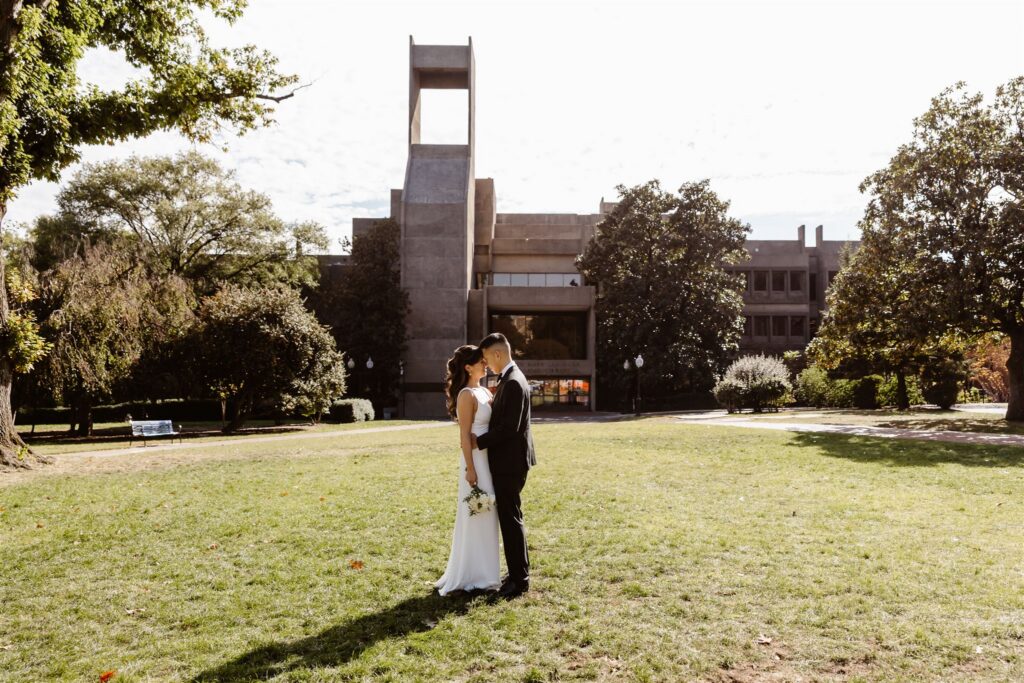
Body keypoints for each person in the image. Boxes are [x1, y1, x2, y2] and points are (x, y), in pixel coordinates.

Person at [471, 332, 536, 600]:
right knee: (512, 517)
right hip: (512, 460)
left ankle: (519, 581)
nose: (487, 364)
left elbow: (509, 428)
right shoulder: (512, 379)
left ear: (498, 354)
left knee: (510, 520)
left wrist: (478, 441)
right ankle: (519, 573)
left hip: (510, 462)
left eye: (487, 358)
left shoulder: (512, 383)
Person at [435, 344, 501, 596]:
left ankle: (487, 573)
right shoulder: (466, 395)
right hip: (474, 461)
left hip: (489, 460)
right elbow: (464, 436)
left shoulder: (484, 391)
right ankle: (472, 576)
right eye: (481, 362)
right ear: (468, 367)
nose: (486, 365)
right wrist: (470, 469)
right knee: (476, 513)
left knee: (489, 513)